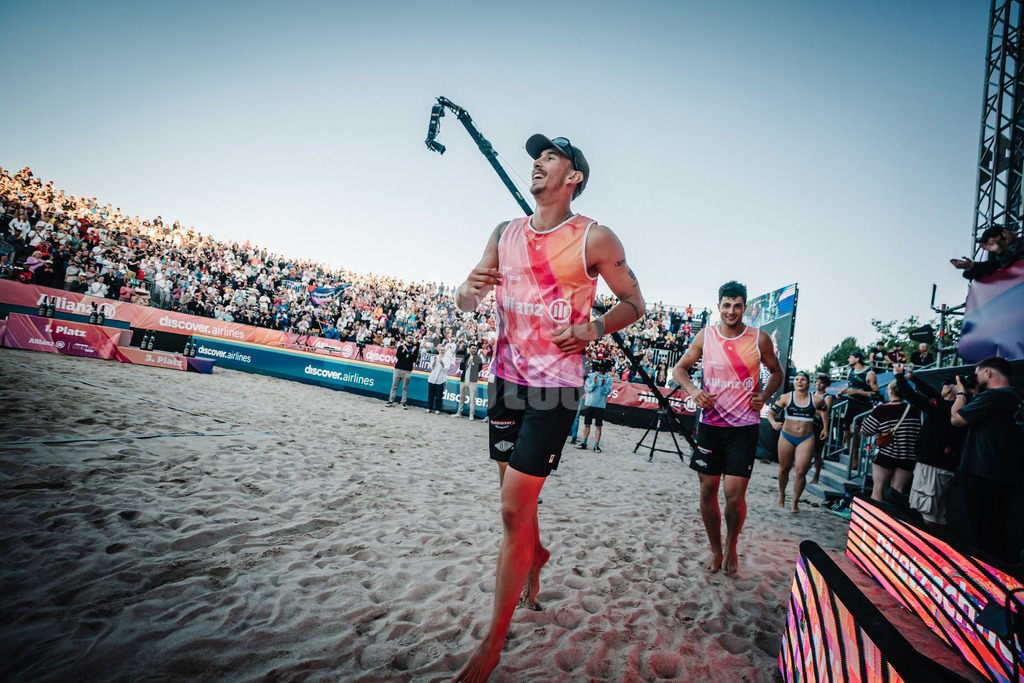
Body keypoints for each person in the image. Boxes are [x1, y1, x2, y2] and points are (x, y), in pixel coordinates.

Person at [452, 134, 645, 682]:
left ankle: (492, 644)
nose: (537, 162)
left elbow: (636, 304)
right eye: (536, 156)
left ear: (573, 176)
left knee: (513, 510)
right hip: (506, 380)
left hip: (555, 390)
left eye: (551, 157)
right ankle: (535, 557)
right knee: (515, 502)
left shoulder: (594, 238)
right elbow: (468, 300)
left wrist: (593, 326)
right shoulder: (503, 233)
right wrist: (468, 288)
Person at [671, 280, 783, 576]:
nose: (731, 310)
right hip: (710, 424)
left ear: (745, 307)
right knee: (708, 491)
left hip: (744, 427)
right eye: (726, 305)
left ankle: (732, 544)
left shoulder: (759, 338)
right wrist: (694, 391)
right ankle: (715, 550)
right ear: (718, 306)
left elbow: (777, 372)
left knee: (734, 496)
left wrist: (766, 395)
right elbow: (679, 369)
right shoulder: (705, 336)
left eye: (737, 305)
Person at [950, 356, 1024, 561]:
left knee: (982, 535)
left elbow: (957, 419)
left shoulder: (993, 397)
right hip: (1007, 477)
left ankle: (986, 581)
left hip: (983, 474)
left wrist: (962, 394)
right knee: (998, 533)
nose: (975, 378)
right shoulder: (1017, 397)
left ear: (988, 373)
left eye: (977, 374)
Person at [894, 366, 965, 530]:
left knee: (925, 512)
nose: (942, 388)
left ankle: (927, 547)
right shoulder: (955, 407)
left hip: (931, 466)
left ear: (950, 389)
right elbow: (933, 395)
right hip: (944, 466)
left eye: (945, 385)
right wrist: (914, 379)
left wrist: (899, 376)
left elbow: (911, 396)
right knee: (938, 513)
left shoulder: (943, 408)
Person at [768, 371, 829, 513]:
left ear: (808, 383)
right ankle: (782, 495)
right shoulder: (786, 398)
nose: (799, 381)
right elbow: (771, 414)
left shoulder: (816, 400)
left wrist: (825, 428)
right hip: (787, 436)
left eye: (802, 379)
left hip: (806, 438)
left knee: (801, 471)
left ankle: (795, 502)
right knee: (784, 469)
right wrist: (773, 424)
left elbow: (826, 410)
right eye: (796, 379)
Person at [859, 380, 921, 503]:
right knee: (897, 493)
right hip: (907, 457)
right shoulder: (914, 410)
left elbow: (865, 430)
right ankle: (891, 519)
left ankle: (874, 519)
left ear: (891, 392)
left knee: (878, 490)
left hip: (886, 455)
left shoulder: (881, 410)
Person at [840, 350, 878, 466]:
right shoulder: (850, 372)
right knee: (846, 431)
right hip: (851, 404)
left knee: (855, 429)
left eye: (850, 357)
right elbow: (849, 386)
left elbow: (876, 392)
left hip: (863, 406)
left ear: (857, 359)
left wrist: (857, 391)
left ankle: (855, 456)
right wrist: (841, 392)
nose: (848, 359)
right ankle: (852, 454)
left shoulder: (869, 373)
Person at [950, 225, 1024, 280]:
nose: (985, 245)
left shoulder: (1020, 244)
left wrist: (1012, 243)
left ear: (997, 238)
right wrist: (970, 265)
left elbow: (1016, 259)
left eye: (986, 241)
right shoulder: (995, 256)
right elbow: (989, 267)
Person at [576, 359, 614, 452]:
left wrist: (602, 385)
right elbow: (588, 389)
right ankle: (584, 443)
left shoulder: (609, 378)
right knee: (587, 424)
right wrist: (594, 383)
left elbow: (607, 392)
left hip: (600, 404)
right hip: (589, 403)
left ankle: (596, 445)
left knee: (598, 426)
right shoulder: (591, 375)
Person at [810, 374, 835, 484]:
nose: (818, 384)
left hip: (819, 427)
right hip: (808, 425)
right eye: (817, 382)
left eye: (821, 382)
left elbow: (824, 414)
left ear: (826, 385)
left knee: (817, 453)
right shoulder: (811, 394)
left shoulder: (828, 397)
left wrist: (811, 407)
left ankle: (816, 475)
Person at [387, 333, 419, 409]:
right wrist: (404, 350)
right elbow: (398, 356)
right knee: (394, 385)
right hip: (398, 369)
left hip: (407, 370)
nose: (410, 339)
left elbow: (414, 359)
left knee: (405, 387)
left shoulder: (415, 348)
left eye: (411, 338)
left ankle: (403, 402)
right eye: (409, 338)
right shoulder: (401, 347)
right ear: (406, 339)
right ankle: (391, 400)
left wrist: (411, 352)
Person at [452, 344, 483, 419]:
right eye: (472, 348)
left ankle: (471, 414)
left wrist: (473, 363)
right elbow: (461, 367)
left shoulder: (478, 358)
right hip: (464, 380)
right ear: (469, 349)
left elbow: (479, 369)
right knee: (462, 398)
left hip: (473, 381)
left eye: (475, 348)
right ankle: (459, 412)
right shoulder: (465, 357)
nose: (474, 350)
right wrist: (467, 363)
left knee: (472, 399)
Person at [425, 344, 451, 414]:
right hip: (432, 378)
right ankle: (429, 408)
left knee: (439, 395)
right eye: (441, 350)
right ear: (439, 350)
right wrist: (434, 362)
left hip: (441, 379)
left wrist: (442, 364)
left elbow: (446, 369)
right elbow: (431, 367)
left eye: (443, 350)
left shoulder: (447, 359)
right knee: (431, 395)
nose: (442, 351)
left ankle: (437, 409)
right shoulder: (434, 357)